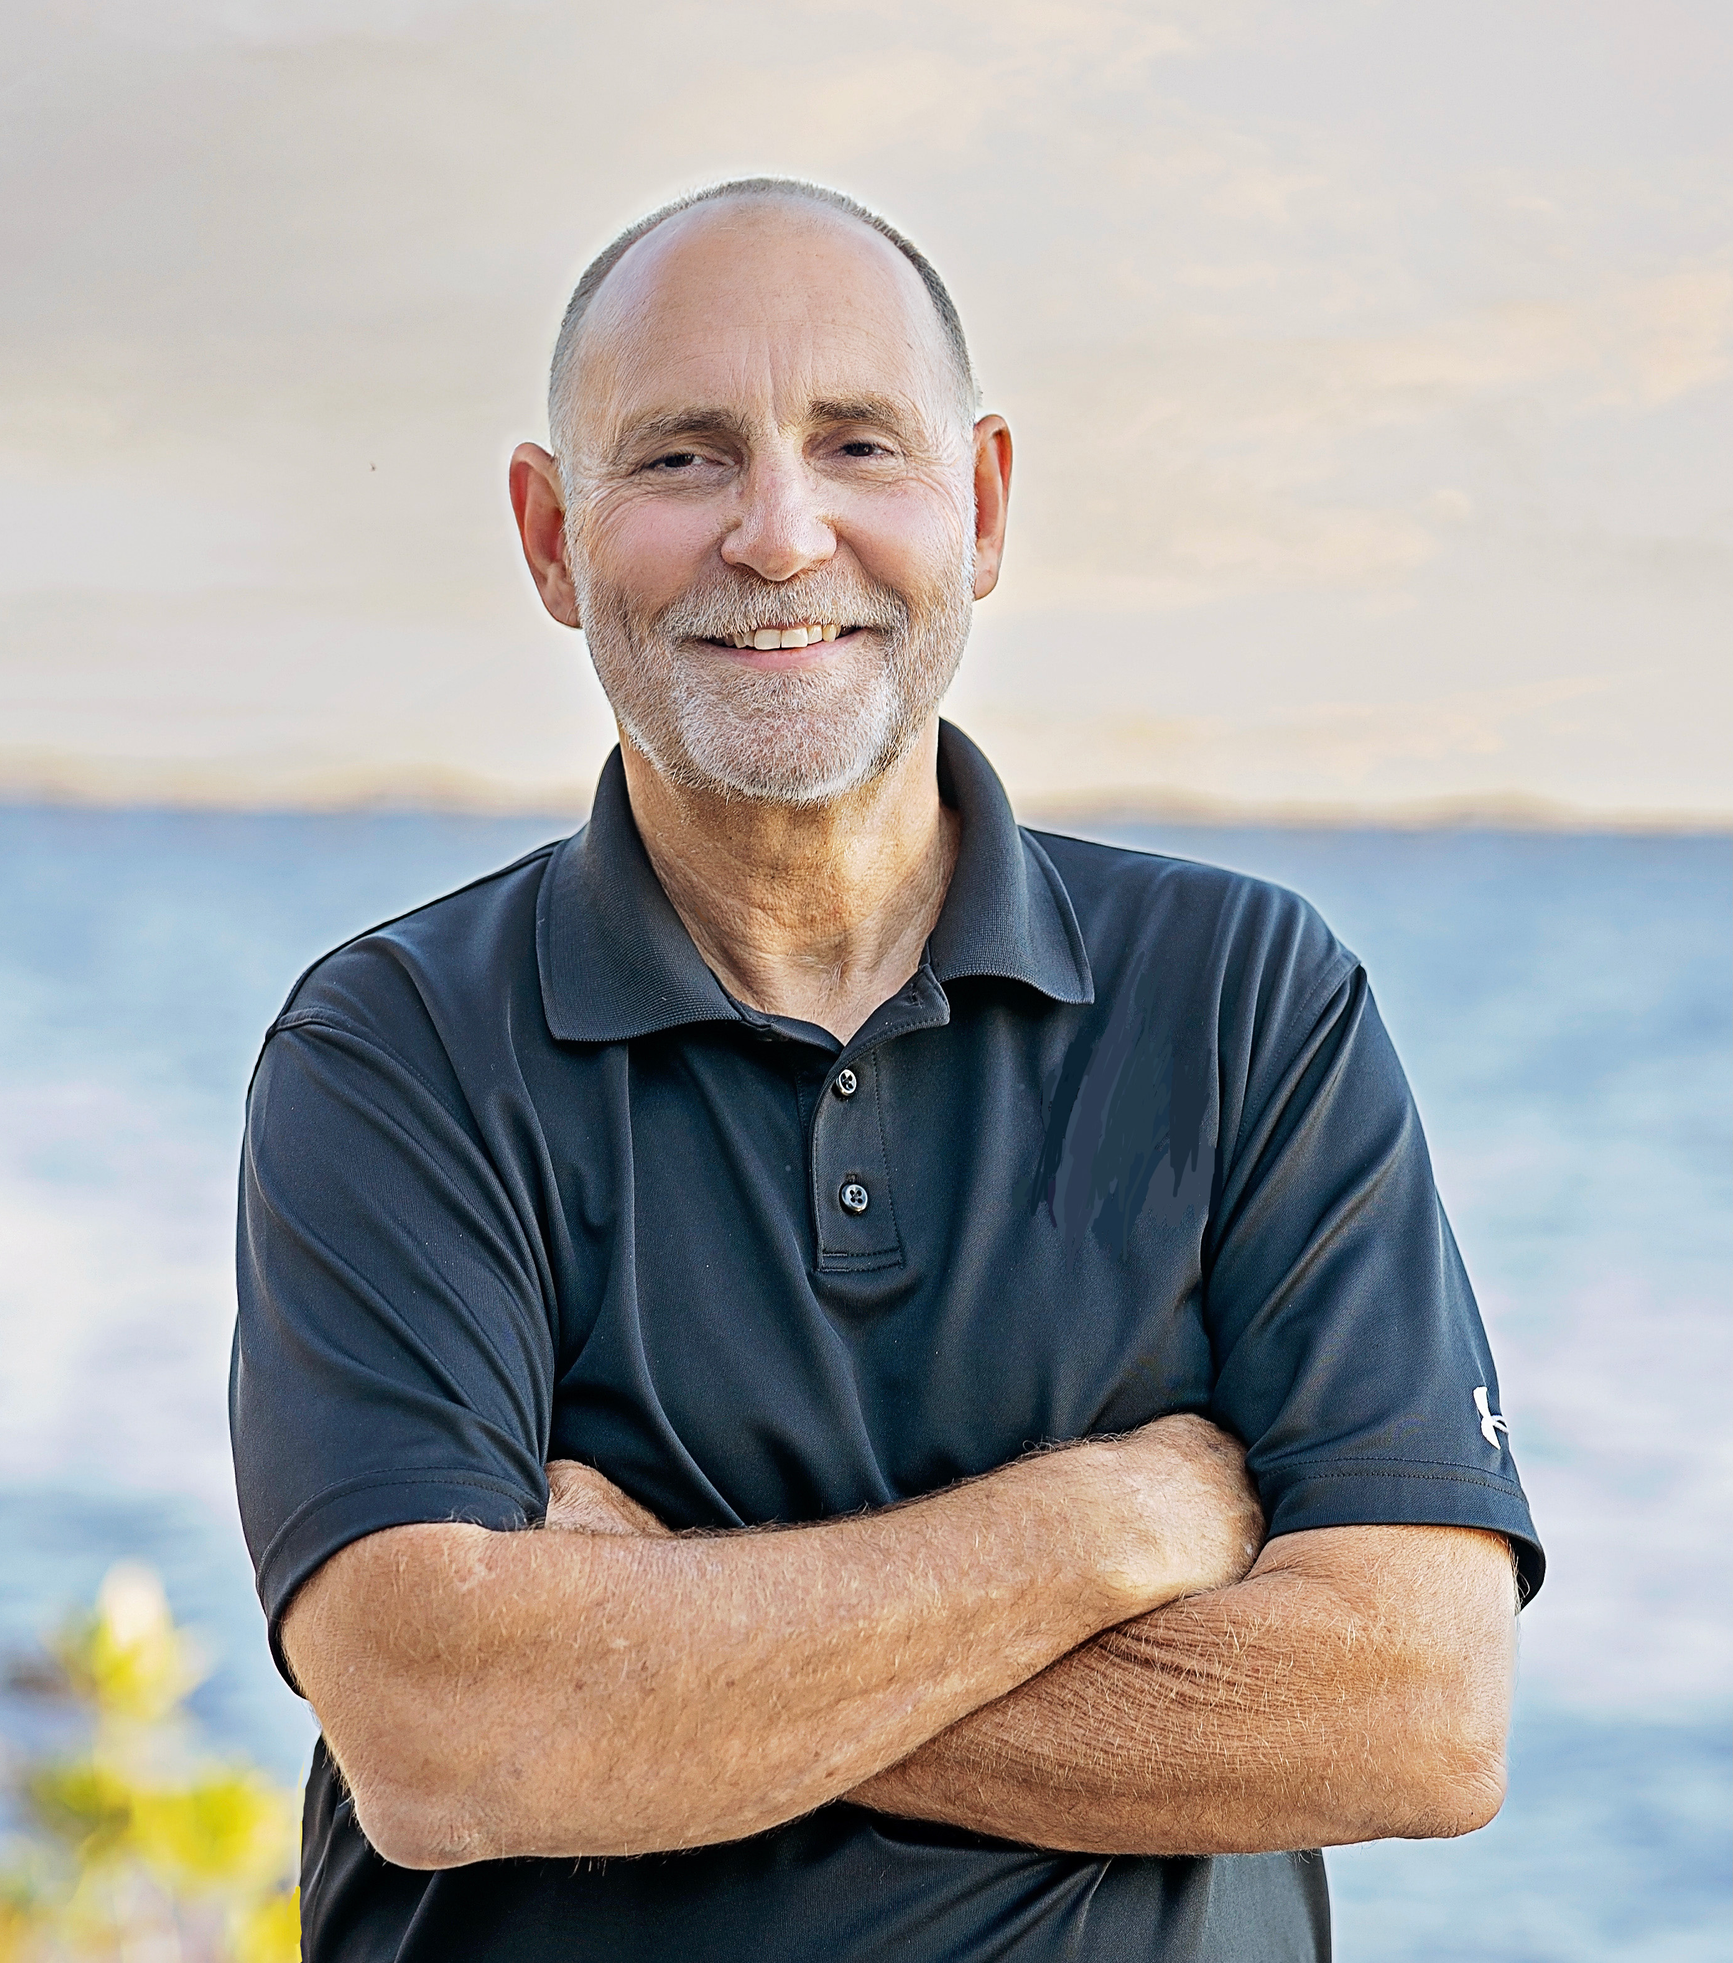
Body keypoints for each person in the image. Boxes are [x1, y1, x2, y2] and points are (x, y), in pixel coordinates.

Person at [230, 178, 1543, 1963]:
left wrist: (644, 1666)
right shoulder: (391, 1052)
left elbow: (1417, 1709)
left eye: (858, 444)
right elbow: (453, 1736)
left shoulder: (1246, 997)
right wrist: (1103, 1521)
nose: (779, 534)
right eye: (682, 458)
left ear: (983, 504)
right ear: (551, 535)